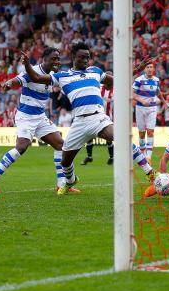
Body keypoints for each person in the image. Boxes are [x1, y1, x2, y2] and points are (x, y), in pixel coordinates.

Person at [20, 42, 115, 195]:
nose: (85, 60)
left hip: (98, 117)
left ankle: (150, 172)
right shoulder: (62, 76)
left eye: (88, 57)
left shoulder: (95, 71)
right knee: (65, 161)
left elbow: (113, 80)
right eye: (82, 57)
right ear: (73, 57)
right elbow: (36, 77)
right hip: (79, 122)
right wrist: (27, 65)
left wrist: (135, 71)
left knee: (121, 140)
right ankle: (70, 181)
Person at [0, 48, 69, 194]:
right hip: (26, 117)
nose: (57, 61)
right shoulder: (33, 71)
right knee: (22, 147)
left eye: (58, 58)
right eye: (54, 58)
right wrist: (9, 83)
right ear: (44, 59)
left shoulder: (53, 76)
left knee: (60, 144)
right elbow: (18, 79)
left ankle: (61, 184)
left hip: (40, 117)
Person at [133, 62, 164, 161]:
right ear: (144, 69)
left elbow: (158, 92)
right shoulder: (139, 80)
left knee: (150, 132)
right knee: (142, 133)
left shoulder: (156, 80)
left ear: (153, 69)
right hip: (140, 108)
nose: (150, 69)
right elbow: (132, 93)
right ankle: (143, 153)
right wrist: (142, 100)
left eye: (151, 67)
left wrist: (165, 102)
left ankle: (148, 157)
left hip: (152, 108)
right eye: (148, 67)